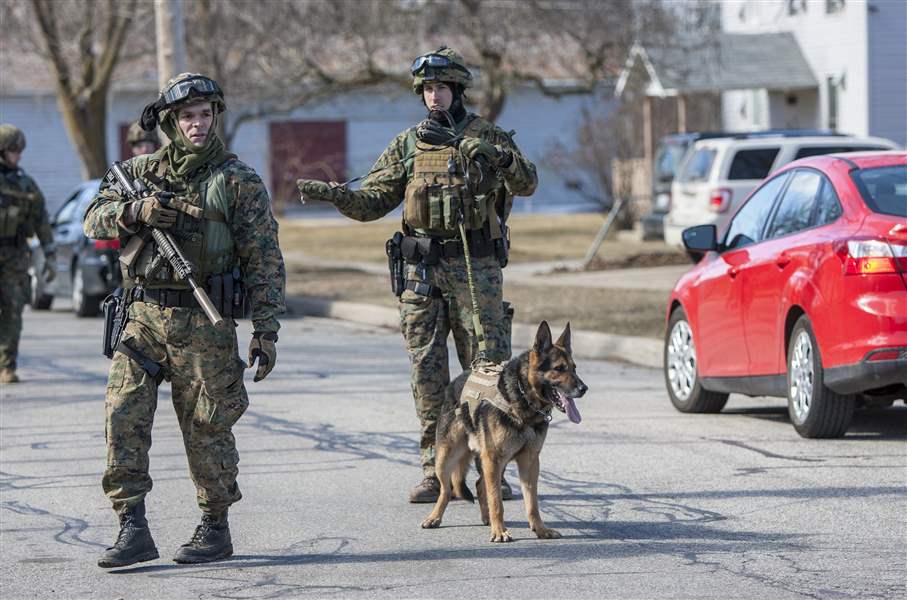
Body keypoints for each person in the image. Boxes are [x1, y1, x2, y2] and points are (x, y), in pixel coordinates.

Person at [298, 47, 537, 503]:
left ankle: (494, 468)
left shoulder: (487, 135)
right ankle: (436, 469)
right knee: (428, 374)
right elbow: (373, 200)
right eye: (427, 89)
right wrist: (337, 197)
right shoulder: (410, 144)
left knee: (485, 371)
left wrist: (498, 158)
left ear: (458, 91)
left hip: (476, 271)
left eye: (441, 88)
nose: (434, 97)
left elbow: (527, 182)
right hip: (422, 270)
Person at [84, 73, 286, 568]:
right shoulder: (142, 171)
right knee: (122, 416)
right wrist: (136, 211)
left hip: (206, 321)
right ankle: (132, 526)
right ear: (172, 122)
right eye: (187, 117)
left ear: (216, 117)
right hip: (142, 317)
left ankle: (214, 526)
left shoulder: (236, 181)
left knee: (207, 427)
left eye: (204, 115)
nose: (197, 125)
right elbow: (94, 218)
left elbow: (265, 259)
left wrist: (265, 330)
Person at [0, 124, 56, 384]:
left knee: (13, 310)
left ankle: (6, 365)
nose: (18, 156)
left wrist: (50, 255)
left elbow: (41, 221)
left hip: (14, 257)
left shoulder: (25, 185)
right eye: (13, 151)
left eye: (19, 151)